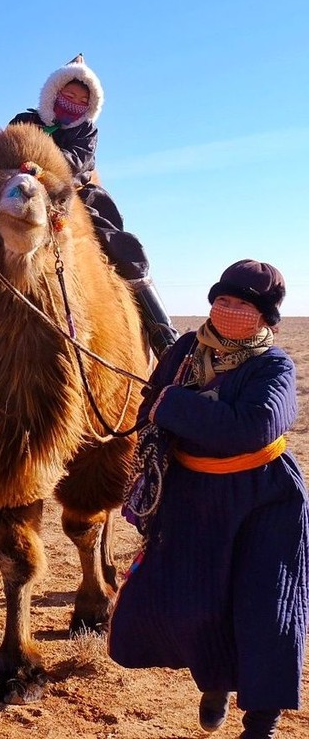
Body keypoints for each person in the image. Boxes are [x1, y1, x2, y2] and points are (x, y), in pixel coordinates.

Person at [108, 259, 309, 739]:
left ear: (265, 317)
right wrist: (167, 407)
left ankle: (263, 721)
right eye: (222, 299)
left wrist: (174, 405)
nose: (228, 309)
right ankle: (216, 680)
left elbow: (249, 428)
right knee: (197, 603)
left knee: (267, 610)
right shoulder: (184, 351)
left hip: (264, 499)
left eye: (243, 304)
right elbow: (148, 403)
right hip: (193, 494)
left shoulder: (273, 366)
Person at [10, 54, 178, 358]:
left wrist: (43, 165)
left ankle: (163, 336)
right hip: (20, 192)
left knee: (123, 249)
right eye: (68, 94)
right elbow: (4, 151)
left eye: (81, 99)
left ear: (91, 105)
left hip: (73, 193)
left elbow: (77, 162)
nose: (73, 102)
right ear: (54, 92)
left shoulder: (85, 131)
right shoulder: (25, 121)